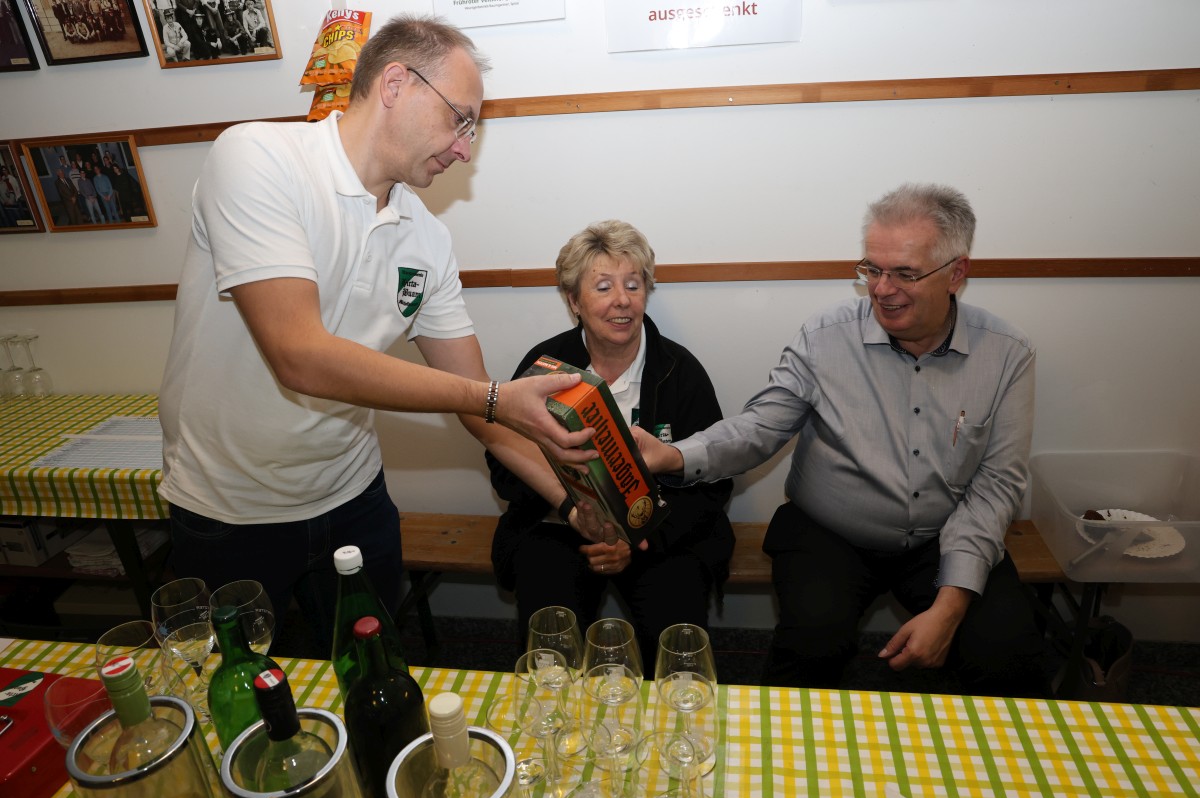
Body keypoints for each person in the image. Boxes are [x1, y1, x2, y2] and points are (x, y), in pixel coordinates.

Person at [158, 14, 598, 652]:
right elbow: (300, 356)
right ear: (395, 84)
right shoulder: (259, 157)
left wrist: (573, 504)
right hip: (230, 508)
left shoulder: (427, 239)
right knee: (239, 693)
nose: (465, 149)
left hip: (353, 497)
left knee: (374, 674)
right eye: (460, 119)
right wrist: (492, 398)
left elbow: (478, 401)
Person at [635, 184, 1047, 697]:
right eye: (872, 269)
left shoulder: (1007, 354)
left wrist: (949, 607)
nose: (882, 289)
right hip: (830, 531)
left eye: (905, 273)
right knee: (812, 644)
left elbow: (996, 486)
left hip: (945, 534)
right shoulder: (825, 335)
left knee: (1007, 655)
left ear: (956, 273)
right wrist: (673, 455)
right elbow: (761, 425)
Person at [487, 221, 735, 668]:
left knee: (677, 640)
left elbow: (714, 481)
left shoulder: (680, 370)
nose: (622, 300)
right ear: (574, 301)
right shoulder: (544, 366)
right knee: (551, 641)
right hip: (561, 528)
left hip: (660, 533)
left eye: (633, 285)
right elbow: (504, 467)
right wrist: (573, 509)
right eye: (603, 287)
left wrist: (638, 538)